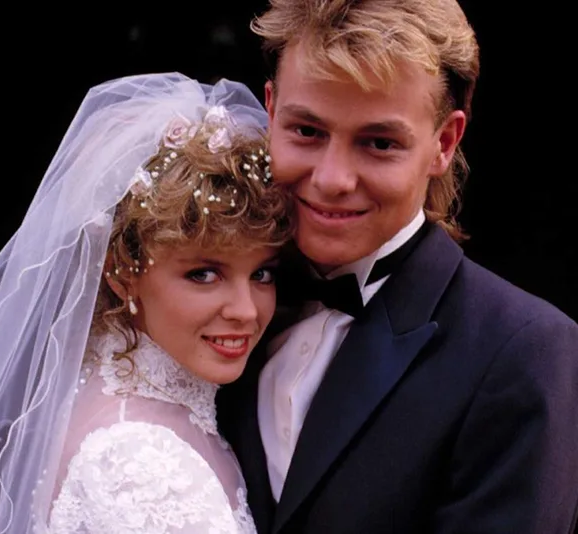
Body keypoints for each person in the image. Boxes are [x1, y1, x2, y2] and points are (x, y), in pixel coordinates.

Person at [216, 1, 578, 532]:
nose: (333, 178)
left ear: (444, 143)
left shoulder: (524, 352)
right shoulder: (196, 303)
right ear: (270, 111)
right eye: (307, 132)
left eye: (379, 143)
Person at [0, 72, 294, 533]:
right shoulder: (140, 465)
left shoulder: (101, 388)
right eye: (203, 274)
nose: (245, 310)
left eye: (262, 273)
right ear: (123, 271)